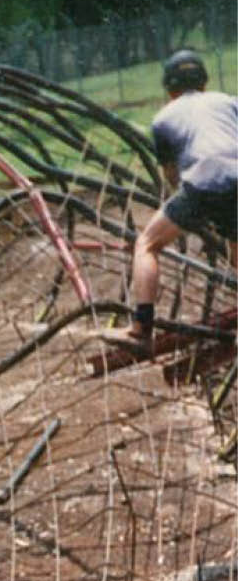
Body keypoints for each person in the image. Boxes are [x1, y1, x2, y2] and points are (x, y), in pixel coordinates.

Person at [103, 49, 238, 357]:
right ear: (203, 82)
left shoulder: (163, 119)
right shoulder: (229, 102)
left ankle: (141, 329)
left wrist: (195, 213)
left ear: (169, 88)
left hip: (203, 184)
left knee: (147, 245)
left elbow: (172, 177)